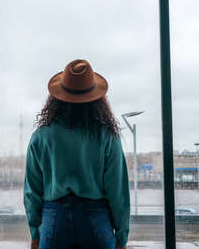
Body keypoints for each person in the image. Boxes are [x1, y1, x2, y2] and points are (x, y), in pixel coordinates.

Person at [24, 59, 130, 249]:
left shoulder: (41, 136)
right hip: (96, 220)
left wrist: (35, 233)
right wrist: (121, 237)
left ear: (55, 99)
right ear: (98, 100)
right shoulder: (107, 136)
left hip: (53, 221)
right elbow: (118, 191)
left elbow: (32, 191)